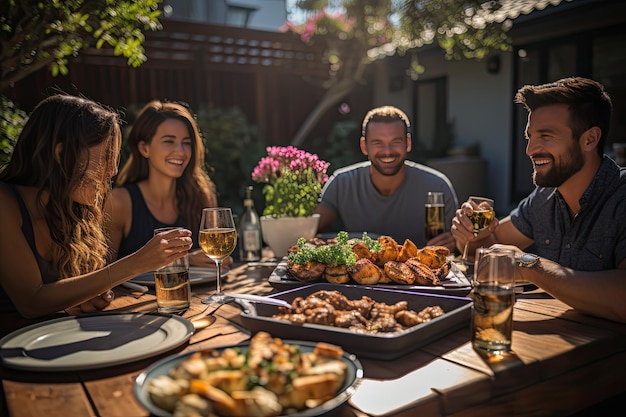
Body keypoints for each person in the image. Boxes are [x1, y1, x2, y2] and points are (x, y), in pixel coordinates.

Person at [451, 77, 626, 323]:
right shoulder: (545, 197)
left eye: (545, 136)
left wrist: (530, 266)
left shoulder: (621, 196)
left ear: (589, 139)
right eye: (529, 137)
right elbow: (490, 248)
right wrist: (470, 234)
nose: (530, 150)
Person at [0, 94, 192, 319]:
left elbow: (54, 297)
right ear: (62, 155)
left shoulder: (72, 210)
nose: (111, 171)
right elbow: (31, 302)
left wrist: (79, 296)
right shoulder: (5, 202)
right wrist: (137, 263)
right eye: (105, 157)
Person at [314, 105, 459, 251]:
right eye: (378, 143)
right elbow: (310, 232)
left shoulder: (437, 186)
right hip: (359, 271)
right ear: (364, 146)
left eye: (395, 142)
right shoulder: (341, 183)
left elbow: (461, 245)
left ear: (407, 143)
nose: (387, 152)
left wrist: (454, 243)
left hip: (420, 271)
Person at [105, 100, 228, 268]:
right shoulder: (119, 202)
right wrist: (186, 260)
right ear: (144, 148)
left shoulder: (201, 195)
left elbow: (212, 257)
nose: (181, 152)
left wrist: (216, 260)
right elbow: (103, 273)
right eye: (169, 141)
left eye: (186, 143)